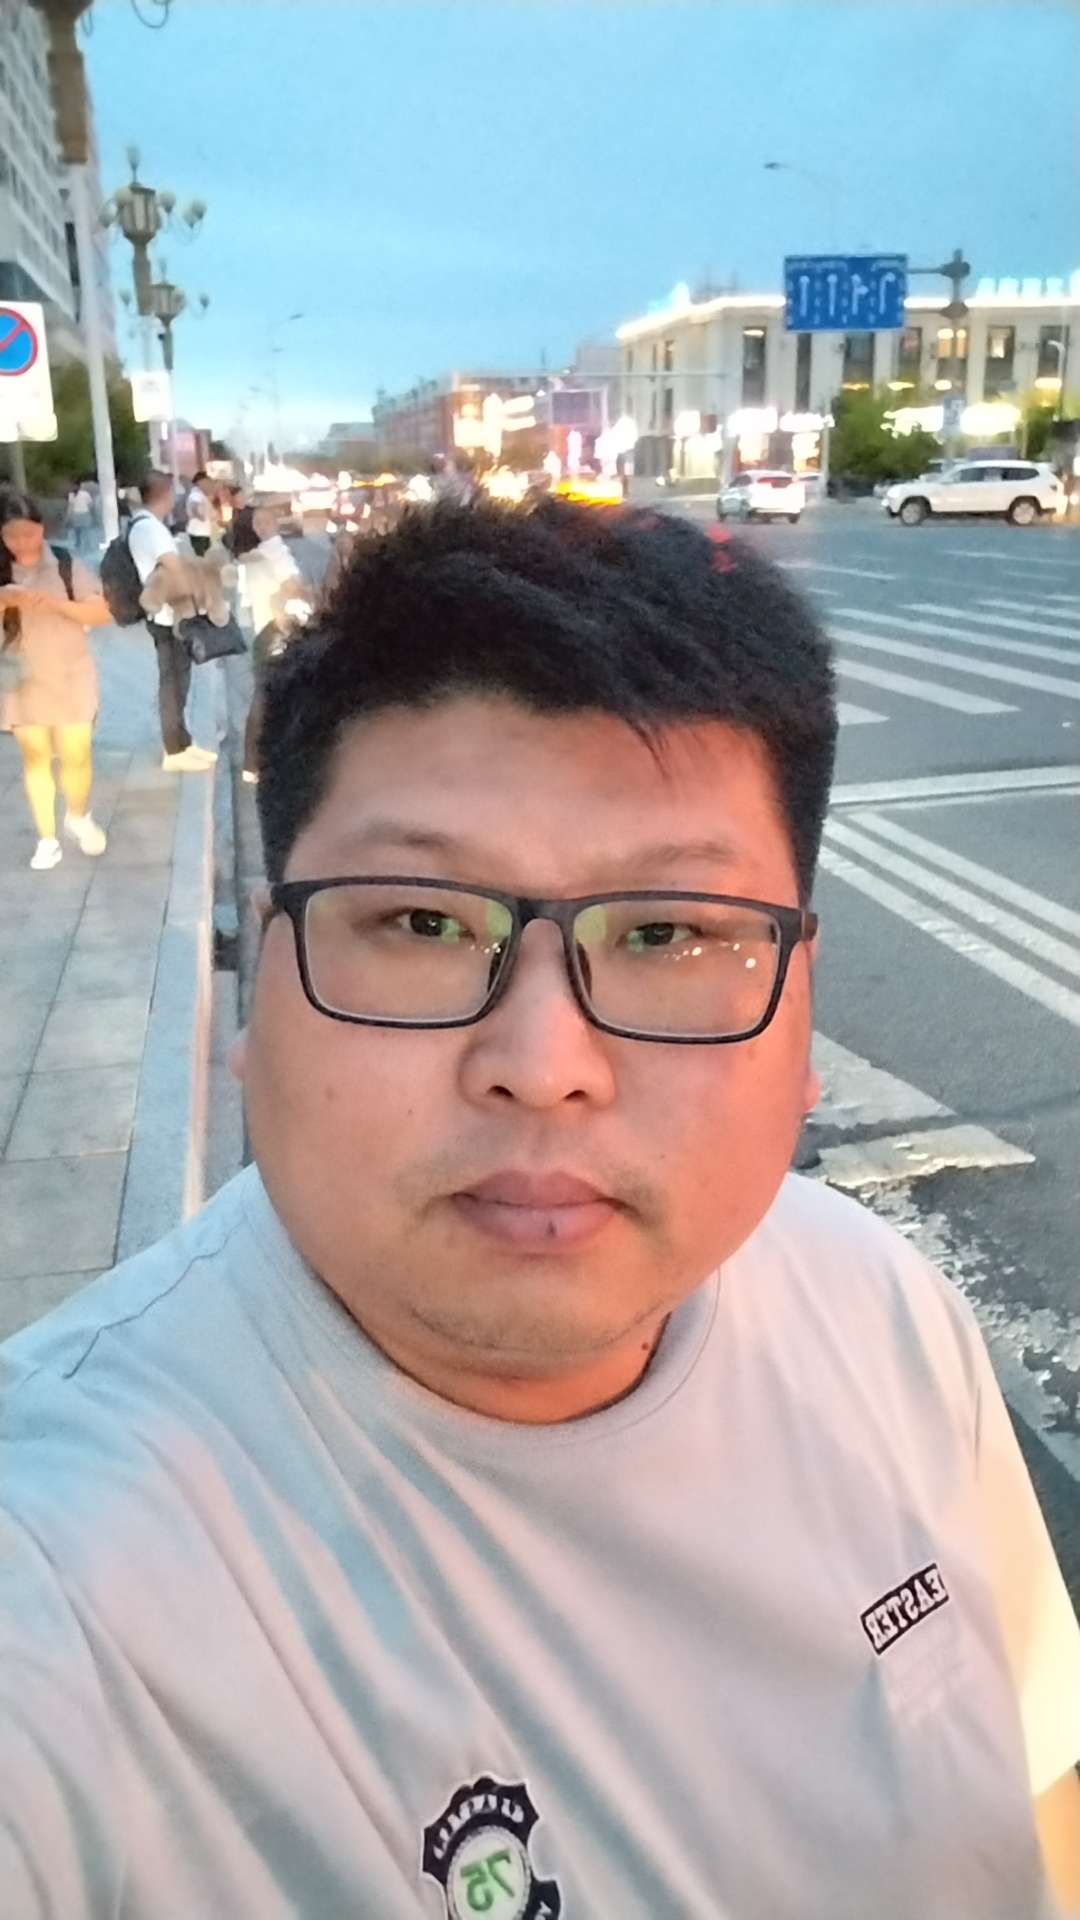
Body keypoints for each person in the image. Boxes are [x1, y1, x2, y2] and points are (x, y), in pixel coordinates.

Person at [1, 500, 1079, 1919]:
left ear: (802, 1009)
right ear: (262, 978)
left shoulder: (881, 1309)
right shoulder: (65, 1571)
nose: (543, 1064)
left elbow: (1037, 1795)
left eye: (669, 933)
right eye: (421, 921)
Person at [0, 488, 112, 869]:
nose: (21, 543)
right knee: (35, 758)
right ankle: (46, 838)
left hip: (70, 674)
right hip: (22, 678)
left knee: (76, 754)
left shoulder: (66, 564)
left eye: (28, 533)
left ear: (41, 528)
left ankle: (77, 815)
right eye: (11, 536)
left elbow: (100, 614)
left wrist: (54, 604)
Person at [128, 469, 217, 772]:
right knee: (173, 682)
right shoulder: (151, 529)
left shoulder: (143, 525)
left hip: (166, 613)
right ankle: (174, 750)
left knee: (179, 679)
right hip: (168, 615)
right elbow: (174, 567)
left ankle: (183, 742)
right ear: (164, 494)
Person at [230, 501, 313, 781]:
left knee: (265, 695)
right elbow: (293, 587)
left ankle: (254, 763)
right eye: (262, 522)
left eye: (270, 519)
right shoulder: (271, 552)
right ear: (253, 529)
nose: (270, 525)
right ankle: (258, 763)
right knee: (271, 696)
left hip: (263, 627)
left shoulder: (251, 557)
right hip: (276, 628)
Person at [64, 476, 95, 559]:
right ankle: (79, 547)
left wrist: (91, 515)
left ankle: (88, 548)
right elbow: (70, 507)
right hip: (76, 515)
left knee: (86, 532)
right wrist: (68, 517)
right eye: (72, 486)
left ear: (79, 486)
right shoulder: (71, 495)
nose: (74, 487)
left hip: (85, 514)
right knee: (77, 533)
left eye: (75, 486)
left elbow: (90, 505)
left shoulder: (85, 494)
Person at [185, 468, 214, 555]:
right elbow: (194, 505)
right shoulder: (196, 494)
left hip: (202, 531)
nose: (209, 485)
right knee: (201, 556)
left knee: (204, 553)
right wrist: (201, 516)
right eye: (207, 482)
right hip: (198, 532)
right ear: (201, 482)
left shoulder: (201, 494)